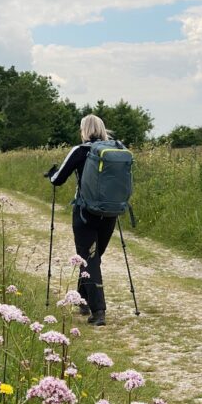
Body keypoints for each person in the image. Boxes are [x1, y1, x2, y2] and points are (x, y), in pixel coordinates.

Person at [46, 114, 117, 326]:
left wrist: (51, 173)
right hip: (110, 214)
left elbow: (58, 180)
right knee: (91, 258)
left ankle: (99, 311)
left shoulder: (80, 150)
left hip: (85, 215)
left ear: (84, 130)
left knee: (89, 259)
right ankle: (83, 300)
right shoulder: (114, 152)